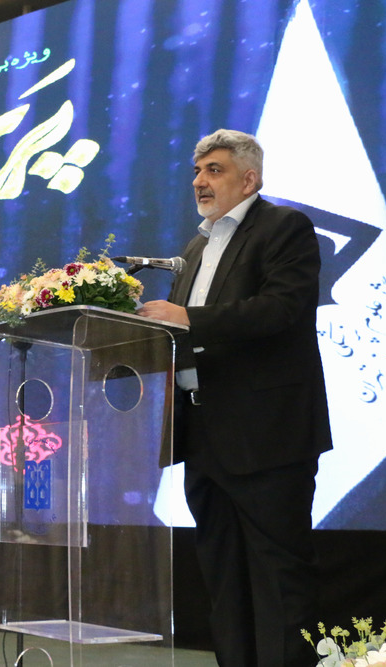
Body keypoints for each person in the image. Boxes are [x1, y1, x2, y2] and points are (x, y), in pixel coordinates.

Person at [138, 128, 332, 667]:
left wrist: (187, 317)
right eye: (197, 171)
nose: (199, 181)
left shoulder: (284, 227)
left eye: (214, 170)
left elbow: (282, 308)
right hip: (201, 432)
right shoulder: (196, 247)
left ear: (249, 179)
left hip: (266, 434)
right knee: (223, 576)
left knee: (280, 577)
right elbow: (181, 334)